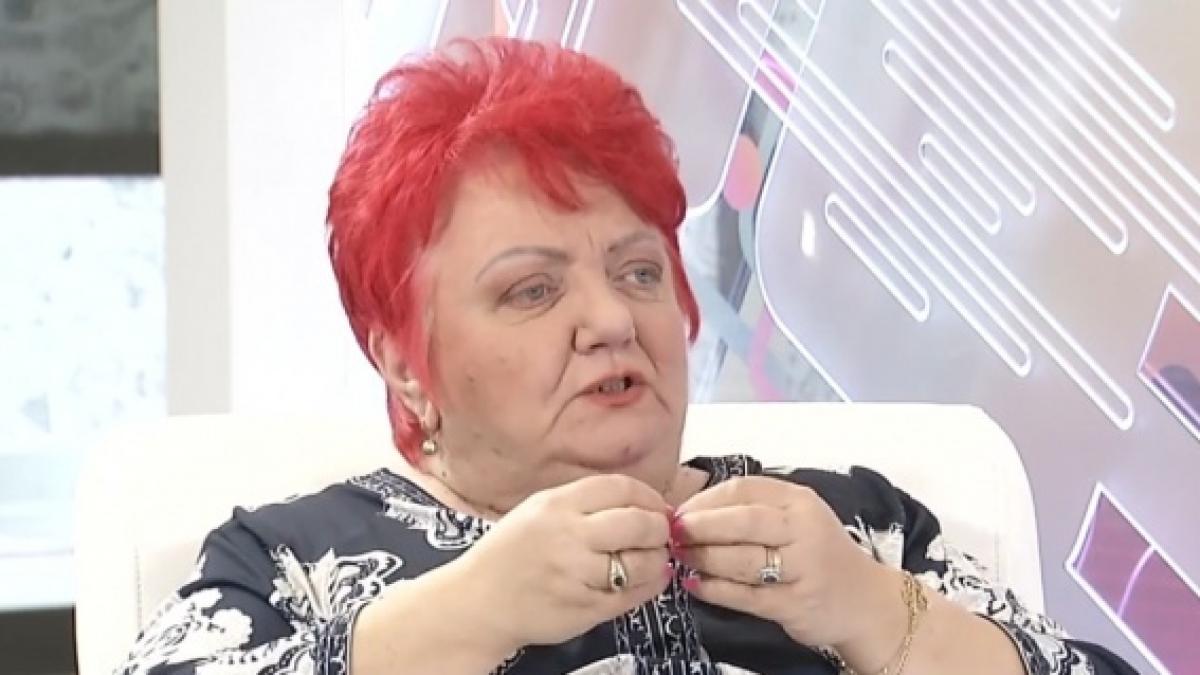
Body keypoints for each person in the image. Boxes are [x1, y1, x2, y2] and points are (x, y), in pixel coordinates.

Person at [115, 37, 1138, 675]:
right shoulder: (289, 563)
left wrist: (873, 610)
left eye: (640, 271)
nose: (611, 318)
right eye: (532, 288)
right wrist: (472, 611)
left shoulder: (854, 527)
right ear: (406, 363)